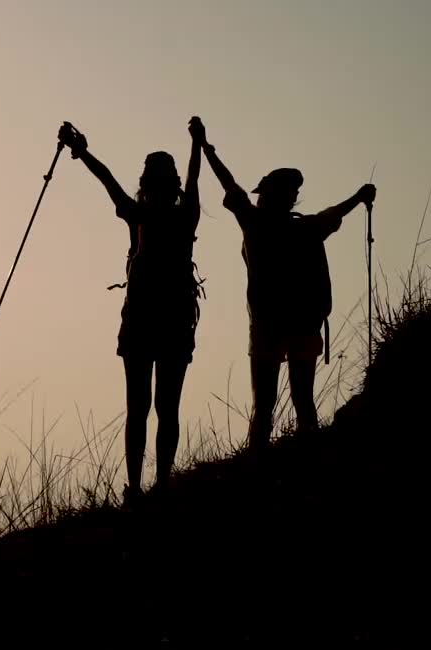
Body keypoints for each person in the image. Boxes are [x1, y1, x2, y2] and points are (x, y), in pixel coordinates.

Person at [197, 122, 375, 449]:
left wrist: (206, 148)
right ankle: (309, 459)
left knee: (264, 407)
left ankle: (256, 466)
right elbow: (334, 213)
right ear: (288, 197)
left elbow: (230, 185)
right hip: (301, 324)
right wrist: (360, 197)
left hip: (268, 324)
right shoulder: (304, 229)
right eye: (291, 193)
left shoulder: (256, 223)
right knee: (302, 403)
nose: (293, 197)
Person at [58, 118, 205, 505]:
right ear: (170, 184)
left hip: (142, 320)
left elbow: (106, 178)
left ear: (146, 183)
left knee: (139, 407)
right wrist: (197, 144)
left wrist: (82, 151)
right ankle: (160, 485)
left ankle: (138, 488)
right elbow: (192, 179)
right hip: (172, 319)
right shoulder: (185, 214)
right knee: (164, 407)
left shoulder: (137, 215)